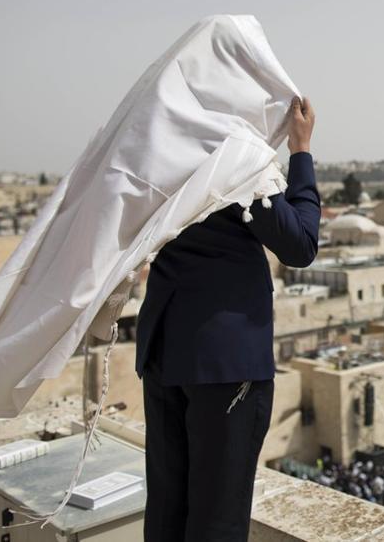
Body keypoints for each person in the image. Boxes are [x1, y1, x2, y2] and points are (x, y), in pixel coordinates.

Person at [135, 97, 320, 541]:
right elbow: (300, 245)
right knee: (217, 515)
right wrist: (301, 150)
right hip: (225, 363)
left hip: (164, 348)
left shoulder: (159, 151)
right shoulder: (232, 157)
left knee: (167, 507)